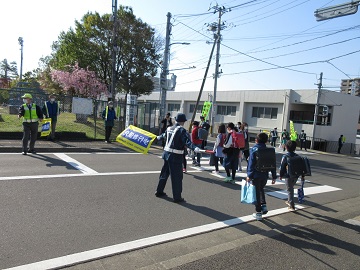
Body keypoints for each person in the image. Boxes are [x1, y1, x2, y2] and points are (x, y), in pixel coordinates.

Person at [155, 113, 200, 203]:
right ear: (183, 121)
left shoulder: (169, 128)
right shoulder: (182, 131)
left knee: (164, 173)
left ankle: (159, 191)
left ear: (175, 120)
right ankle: (177, 197)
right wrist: (195, 148)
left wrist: (156, 138)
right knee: (176, 177)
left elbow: (162, 136)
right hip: (175, 156)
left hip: (166, 154)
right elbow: (187, 142)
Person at [246, 132, 277, 221]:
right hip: (265, 175)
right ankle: (263, 205)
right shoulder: (269, 151)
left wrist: (249, 175)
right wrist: (274, 176)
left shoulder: (254, 150)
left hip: (256, 175)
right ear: (266, 141)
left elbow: (251, 164)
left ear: (256, 140)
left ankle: (258, 212)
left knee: (256, 193)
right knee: (261, 189)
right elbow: (273, 164)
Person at [279, 140, 305, 211]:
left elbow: (282, 167)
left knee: (290, 190)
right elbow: (302, 167)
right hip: (296, 175)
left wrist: (281, 175)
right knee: (291, 187)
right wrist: (302, 176)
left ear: (286, 147)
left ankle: (291, 205)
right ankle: (289, 201)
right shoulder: (298, 156)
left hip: (288, 176)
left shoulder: (285, 156)